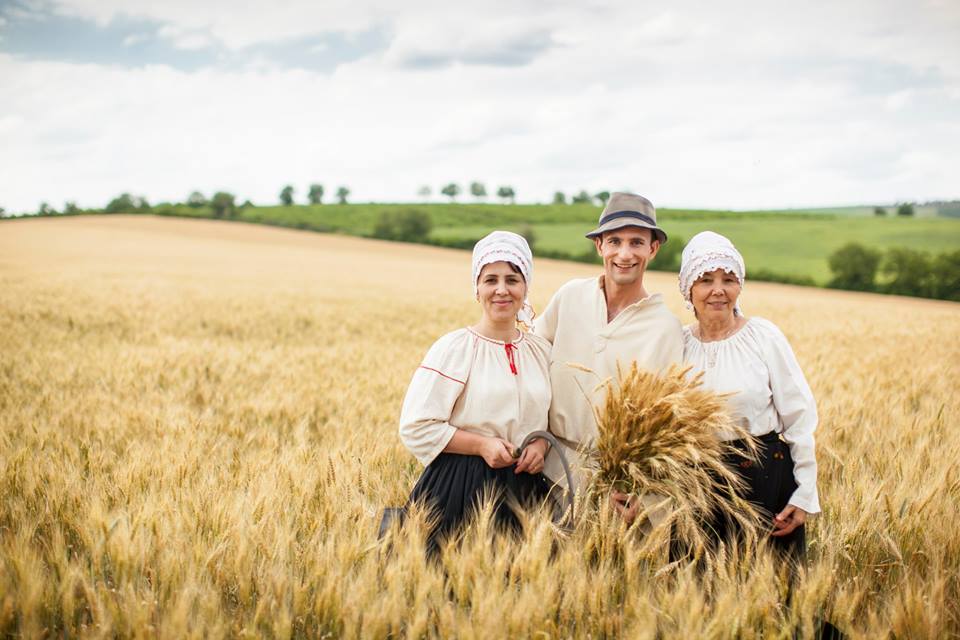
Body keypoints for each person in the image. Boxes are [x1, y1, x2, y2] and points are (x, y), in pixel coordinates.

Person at [398, 231, 553, 554]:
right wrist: (481, 445)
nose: (501, 290)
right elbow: (416, 426)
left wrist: (541, 444)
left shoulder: (542, 351)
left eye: (512, 279)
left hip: (526, 494)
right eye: (490, 280)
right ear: (477, 288)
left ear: (525, 289)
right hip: (458, 491)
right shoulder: (454, 348)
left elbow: (557, 420)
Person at [532, 192, 683, 521]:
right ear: (599, 245)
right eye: (614, 241)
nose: (624, 254)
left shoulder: (665, 328)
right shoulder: (570, 296)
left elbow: (666, 425)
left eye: (636, 242)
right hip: (548, 472)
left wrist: (638, 487)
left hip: (616, 490)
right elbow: (531, 364)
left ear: (653, 249)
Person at [678, 231, 819, 559]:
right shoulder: (677, 344)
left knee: (773, 593)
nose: (718, 290)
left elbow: (799, 418)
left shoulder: (763, 336)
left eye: (728, 279)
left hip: (765, 482)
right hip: (696, 485)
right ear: (688, 289)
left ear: (739, 285)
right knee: (699, 593)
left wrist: (804, 493)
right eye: (705, 280)